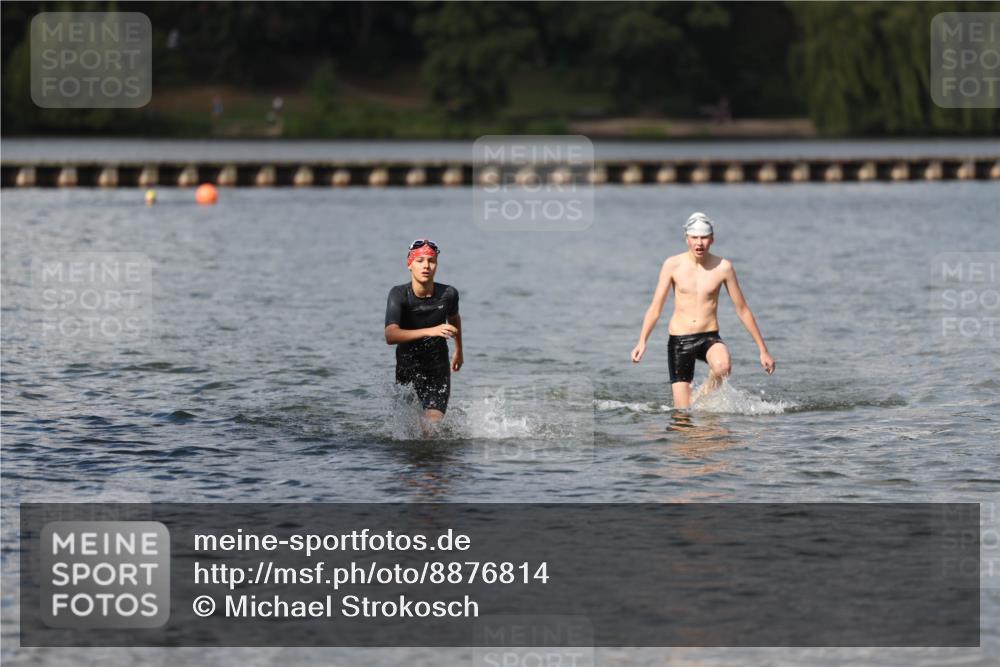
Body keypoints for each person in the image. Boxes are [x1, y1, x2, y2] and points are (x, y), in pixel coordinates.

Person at [631, 212, 775, 408]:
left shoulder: (723, 267)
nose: (699, 243)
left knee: (722, 366)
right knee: (683, 415)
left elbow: (742, 310)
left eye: (704, 237)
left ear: (712, 239)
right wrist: (642, 341)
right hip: (680, 341)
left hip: (709, 336)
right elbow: (656, 308)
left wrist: (763, 350)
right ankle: (694, 405)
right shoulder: (672, 265)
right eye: (694, 238)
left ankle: (702, 397)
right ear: (687, 239)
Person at [384, 239, 463, 423]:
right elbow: (390, 335)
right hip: (407, 370)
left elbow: (454, 319)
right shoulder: (399, 294)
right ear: (409, 264)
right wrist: (431, 330)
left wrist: (459, 351)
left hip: (437, 370)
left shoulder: (449, 294)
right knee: (409, 430)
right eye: (420, 261)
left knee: (431, 428)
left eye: (431, 261)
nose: (426, 266)